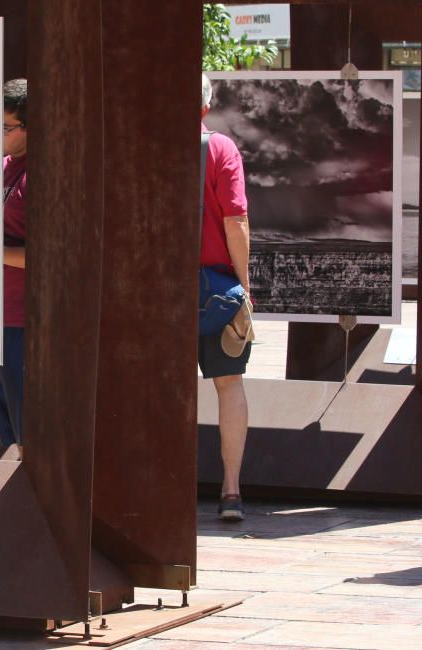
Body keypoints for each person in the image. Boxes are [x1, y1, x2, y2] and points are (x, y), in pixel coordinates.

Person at [200, 74, 253, 522]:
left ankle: (163, 490)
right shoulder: (221, 149)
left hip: (158, 288)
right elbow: (236, 221)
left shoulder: (152, 148)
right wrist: (244, 285)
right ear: (207, 103)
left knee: (165, 388)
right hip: (216, 288)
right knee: (229, 383)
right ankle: (231, 491)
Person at [0, 78, 28, 459]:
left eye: (6, 127)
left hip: (22, 321)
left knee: (29, 435)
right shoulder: (0, 167)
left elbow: (45, 255)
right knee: (10, 437)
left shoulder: (38, 175)